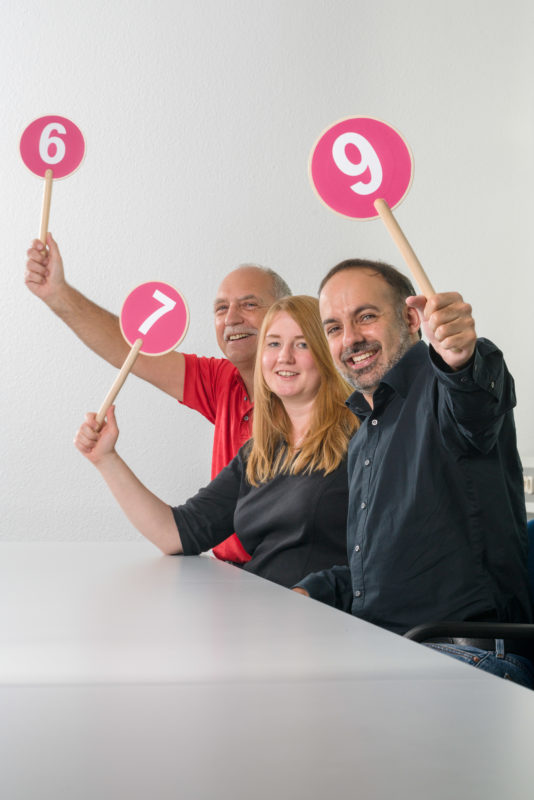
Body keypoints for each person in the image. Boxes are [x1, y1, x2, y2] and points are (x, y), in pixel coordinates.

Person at [293, 258, 534, 688]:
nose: (350, 339)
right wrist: (310, 592)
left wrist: (460, 356)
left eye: (365, 316)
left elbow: (475, 393)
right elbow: (378, 573)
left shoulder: (447, 381)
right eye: (333, 328)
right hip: (389, 650)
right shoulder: (365, 435)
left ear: (410, 318)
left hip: (465, 656)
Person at [25, 234, 291, 564]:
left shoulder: (306, 404)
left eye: (249, 304)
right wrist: (57, 294)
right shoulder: (223, 381)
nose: (232, 318)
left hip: (284, 585)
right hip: (227, 578)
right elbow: (132, 350)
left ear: (286, 316)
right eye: (221, 308)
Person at [74, 295, 359, 587]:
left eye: (302, 344)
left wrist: (312, 595)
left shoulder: (361, 440)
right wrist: (106, 459)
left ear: (327, 354)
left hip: (319, 621)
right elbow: (179, 534)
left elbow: (382, 561)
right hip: (260, 611)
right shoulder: (260, 451)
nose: (284, 357)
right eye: (273, 343)